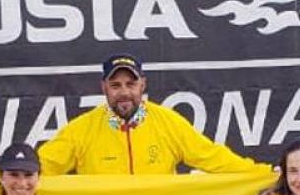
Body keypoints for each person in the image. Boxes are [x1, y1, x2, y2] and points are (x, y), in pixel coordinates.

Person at [36, 53, 274, 176]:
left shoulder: (167, 122)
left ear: (143, 85)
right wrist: (0, 180)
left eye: (131, 84)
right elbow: (41, 166)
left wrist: (262, 173)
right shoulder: (82, 129)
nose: (124, 93)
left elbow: (212, 157)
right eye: (116, 85)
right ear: (104, 88)